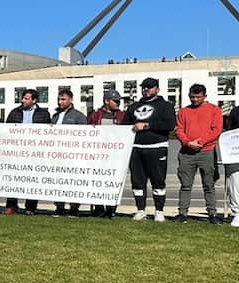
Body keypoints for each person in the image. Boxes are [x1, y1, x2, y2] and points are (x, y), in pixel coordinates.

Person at [121, 77, 176, 223]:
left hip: (157, 147)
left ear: (157, 89)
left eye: (149, 87)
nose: (146, 89)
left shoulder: (166, 106)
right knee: (137, 181)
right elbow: (124, 125)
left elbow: (169, 124)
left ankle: (159, 211)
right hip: (136, 148)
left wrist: (146, 125)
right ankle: (140, 210)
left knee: (158, 180)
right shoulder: (133, 106)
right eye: (144, 87)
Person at [174, 82, 223, 223]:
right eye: (192, 97)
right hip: (187, 153)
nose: (194, 99)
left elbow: (216, 130)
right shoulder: (183, 111)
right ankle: (182, 213)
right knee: (185, 185)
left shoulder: (214, 110)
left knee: (209, 184)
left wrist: (200, 142)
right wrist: (188, 142)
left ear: (204, 96)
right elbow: (178, 129)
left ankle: (212, 214)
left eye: (198, 97)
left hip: (207, 152)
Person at [4, 89, 49, 215]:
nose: (23, 100)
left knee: (32, 179)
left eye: (26, 98)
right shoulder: (14, 113)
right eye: (23, 98)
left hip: (35, 153)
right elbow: (7, 130)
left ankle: (30, 207)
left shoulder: (43, 114)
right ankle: (11, 205)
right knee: (13, 179)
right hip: (16, 153)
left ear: (34, 100)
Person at [50, 89, 88, 216]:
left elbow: (85, 135)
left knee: (73, 181)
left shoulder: (78, 116)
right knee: (58, 181)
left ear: (70, 100)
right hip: (57, 154)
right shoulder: (55, 116)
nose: (60, 102)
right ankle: (59, 206)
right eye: (59, 99)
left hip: (73, 155)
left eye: (63, 99)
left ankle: (74, 207)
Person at [88, 90, 125, 217]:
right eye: (115, 101)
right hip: (99, 154)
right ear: (106, 101)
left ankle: (111, 208)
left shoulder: (122, 115)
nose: (118, 103)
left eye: (119, 100)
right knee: (98, 181)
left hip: (116, 155)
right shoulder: (96, 115)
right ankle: (99, 207)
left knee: (113, 181)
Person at [225, 103, 239, 228]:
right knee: (235, 184)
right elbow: (229, 131)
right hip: (235, 154)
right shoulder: (236, 111)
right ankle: (237, 213)